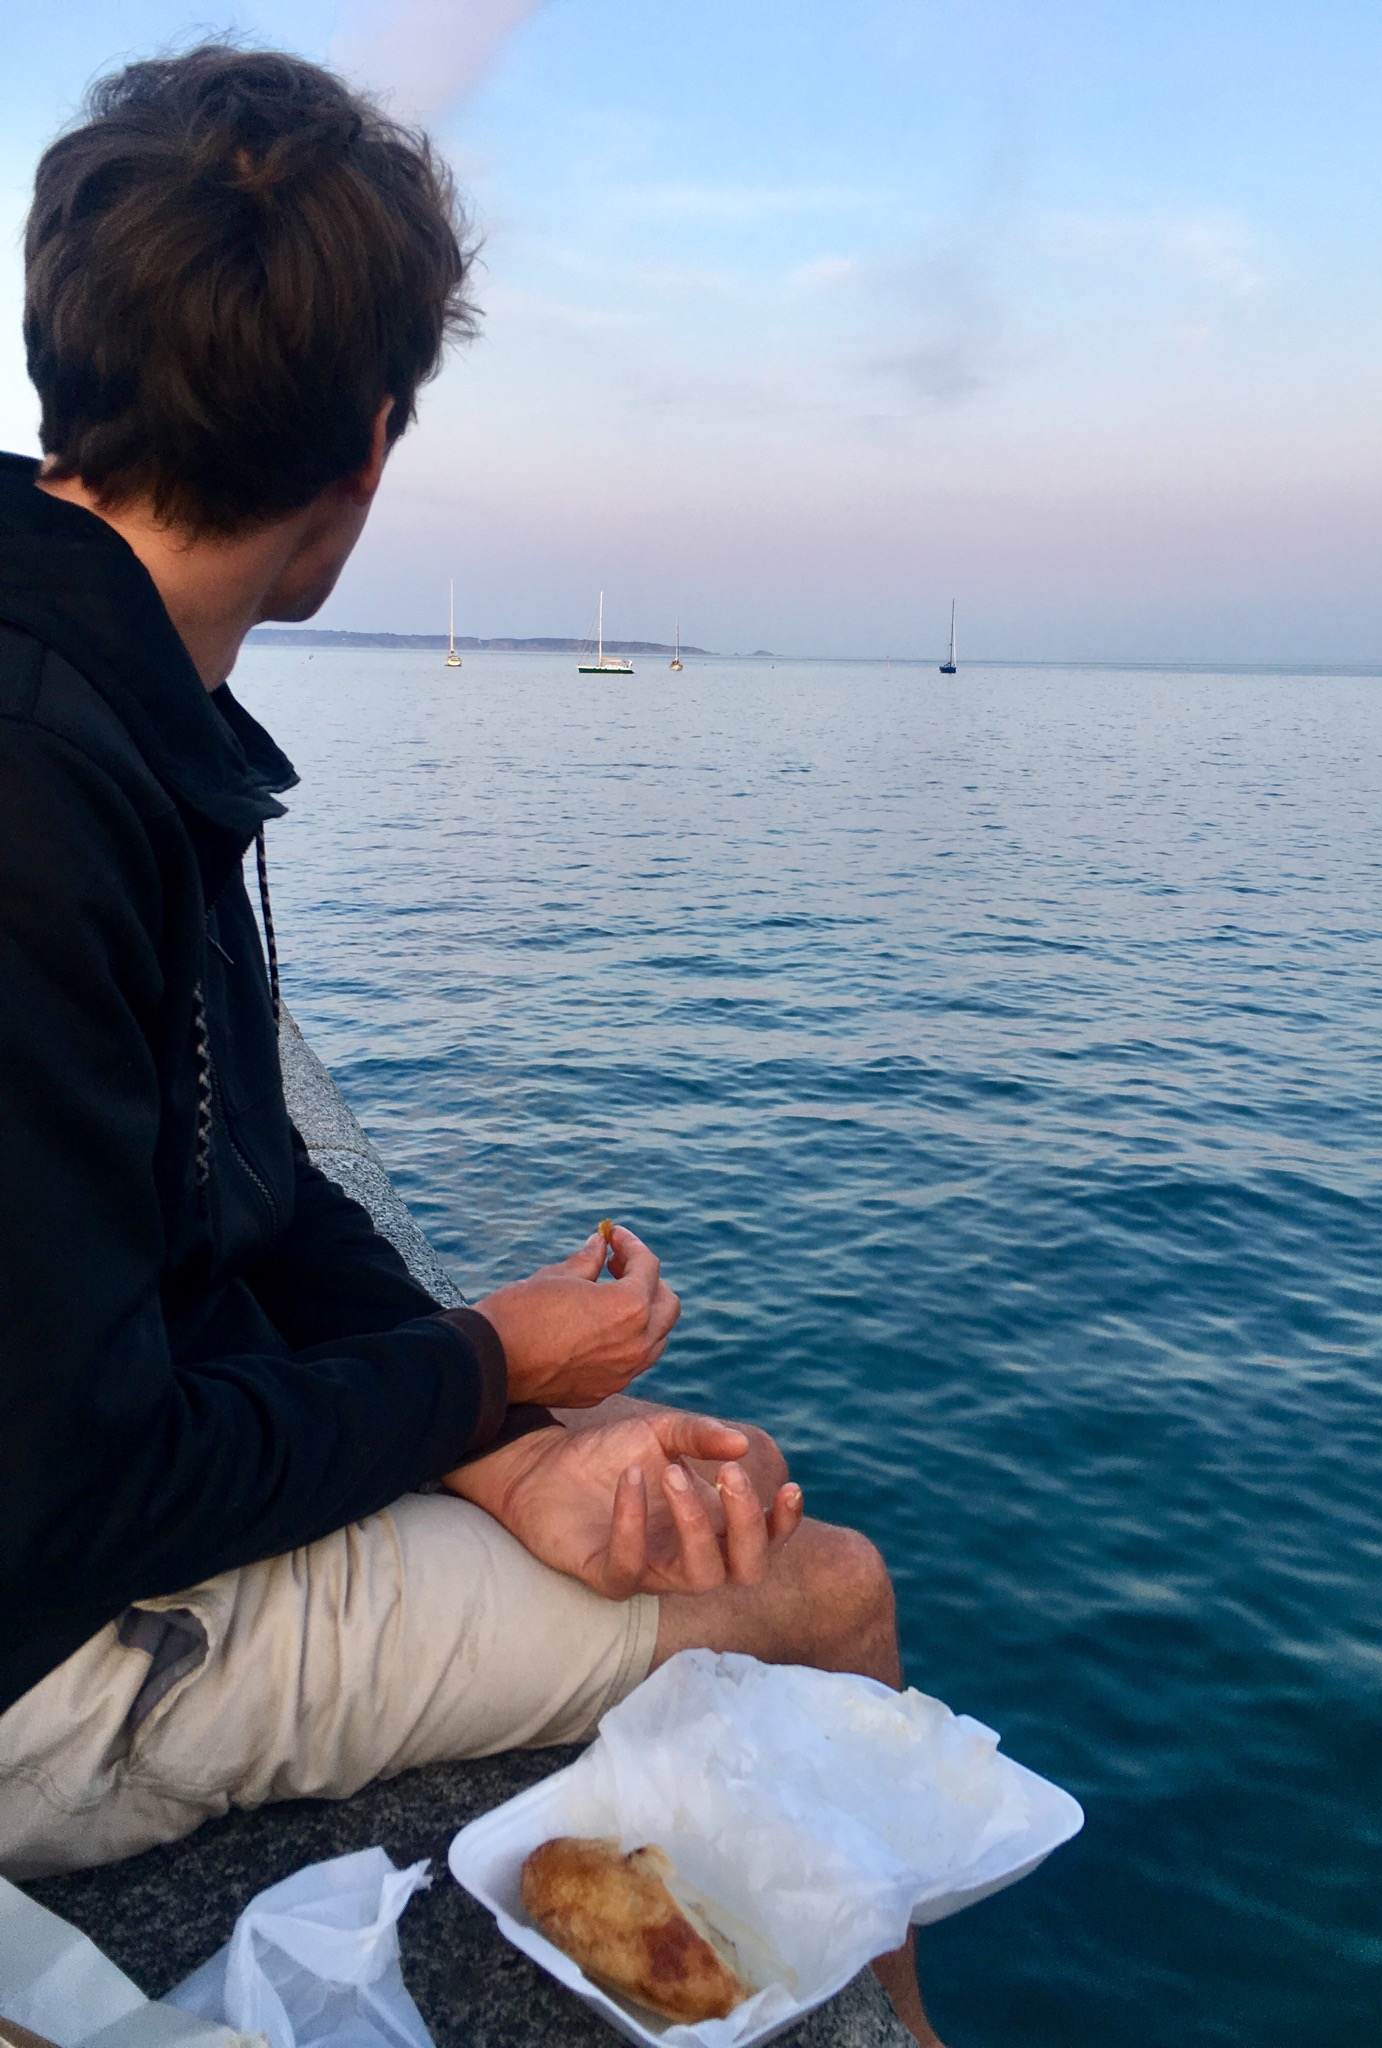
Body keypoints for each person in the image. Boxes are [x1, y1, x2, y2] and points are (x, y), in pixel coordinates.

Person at [0, 45, 944, 2045]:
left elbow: (250, 1191)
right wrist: (497, 1358)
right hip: (39, 1653)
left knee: (648, 1492)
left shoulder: (93, 689)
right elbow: (80, 1491)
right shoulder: (43, 784)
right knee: (825, 1592)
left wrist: (509, 1453)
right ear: (370, 447)